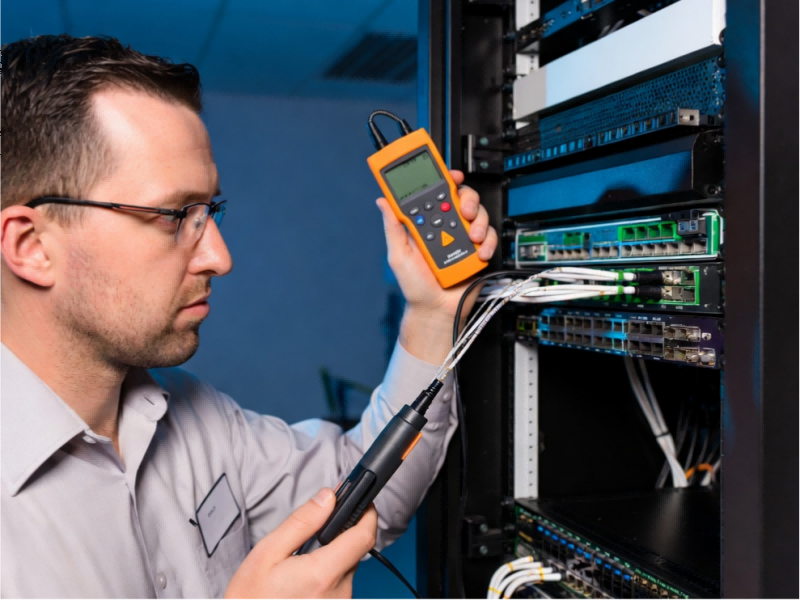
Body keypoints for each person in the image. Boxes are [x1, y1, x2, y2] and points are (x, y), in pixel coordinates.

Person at [0, 35, 497, 599]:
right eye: (174, 215)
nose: (221, 257)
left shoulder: (193, 418)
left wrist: (432, 313)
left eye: (210, 210)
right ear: (32, 246)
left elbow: (365, 496)